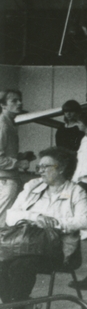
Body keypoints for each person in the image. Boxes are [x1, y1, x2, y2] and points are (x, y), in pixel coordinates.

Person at [2, 146, 87, 309]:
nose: (40, 170)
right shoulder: (32, 186)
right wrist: (36, 217)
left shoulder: (76, 192)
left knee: (22, 265)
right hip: (24, 244)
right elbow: (10, 216)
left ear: (61, 168)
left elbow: (85, 220)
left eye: (45, 166)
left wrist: (55, 223)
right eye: (39, 167)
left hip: (57, 251)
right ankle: (25, 305)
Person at [0, 89, 33, 225]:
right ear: (3, 105)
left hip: (10, 179)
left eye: (20, 100)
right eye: (14, 101)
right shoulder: (3, 126)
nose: (20, 103)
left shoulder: (9, 123)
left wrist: (21, 157)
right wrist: (19, 163)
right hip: (5, 181)